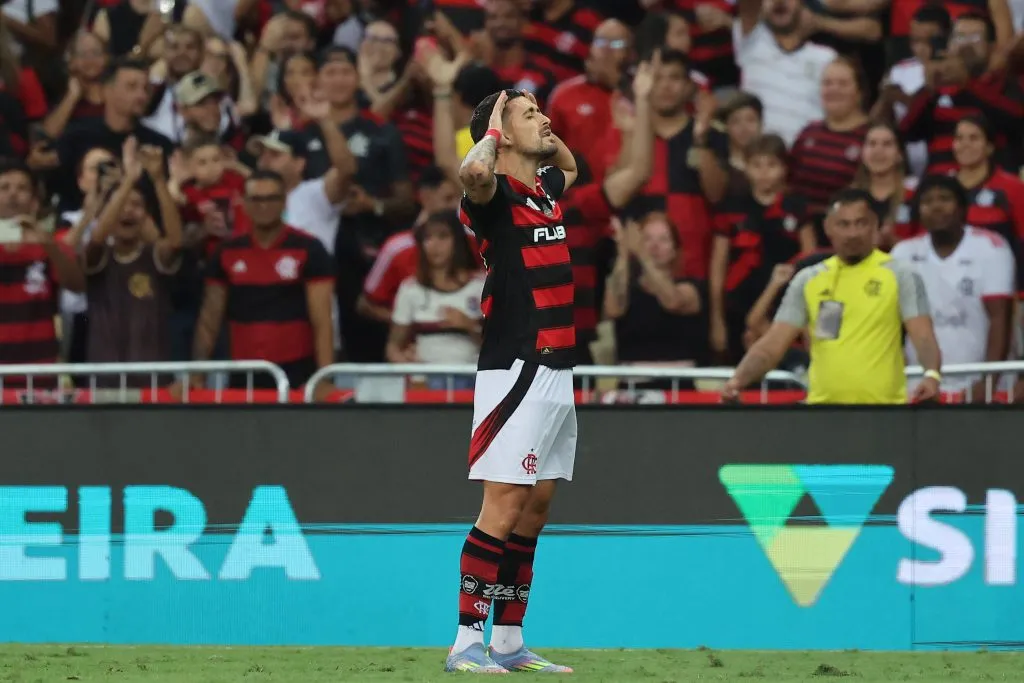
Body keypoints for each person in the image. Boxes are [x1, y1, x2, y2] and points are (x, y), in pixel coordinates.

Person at [446, 88, 578, 674]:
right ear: (498, 132)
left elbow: (570, 166)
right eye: (531, 113)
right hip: (517, 370)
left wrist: (539, 135)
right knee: (500, 507)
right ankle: (465, 642)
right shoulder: (492, 197)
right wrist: (496, 130)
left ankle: (507, 641)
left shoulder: (544, 191)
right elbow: (473, 169)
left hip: (558, 371)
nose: (546, 118)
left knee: (535, 508)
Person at [722, 187, 943, 405]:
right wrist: (738, 379)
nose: (853, 233)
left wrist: (932, 375)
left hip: (883, 412)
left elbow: (923, 335)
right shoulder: (808, 279)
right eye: (843, 224)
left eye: (861, 223)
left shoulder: (901, 274)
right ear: (828, 227)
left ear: (875, 225)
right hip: (822, 412)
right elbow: (772, 343)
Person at [192, 170, 335, 393]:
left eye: (271, 198)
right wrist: (196, 375)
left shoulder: (310, 249)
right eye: (256, 199)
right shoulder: (226, 252)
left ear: (284, 201)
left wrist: (324, 377)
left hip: (298, 373)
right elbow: (209, 320)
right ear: (244, 203)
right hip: (243, 373)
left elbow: (322, 321)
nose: (263, 206)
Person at [891, 175, 1014, 398]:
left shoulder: (991, 247)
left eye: (945, 199)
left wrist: (987, 382)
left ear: (961, 207)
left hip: (979, 381)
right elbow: (892, 323)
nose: (936, 206)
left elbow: (1001, 319)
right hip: (919, 383)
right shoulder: (903, 254)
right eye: (927, 201)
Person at [710, 134, 815, 362]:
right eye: (756, 165)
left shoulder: (796, 207)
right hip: (738, 305)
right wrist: (716, 320)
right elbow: (718, 267)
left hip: (786, 305)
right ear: (746, 168)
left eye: (772, 165)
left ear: (784, 168)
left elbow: (811, 263)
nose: (764, 172)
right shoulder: (732, 207)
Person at [83, 143, 183, 379]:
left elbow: (176, 241)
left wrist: (158, 179)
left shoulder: (154, 256)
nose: (128, 211)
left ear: (146, 215)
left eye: (137, 205)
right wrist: (129, 180)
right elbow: (98, 237)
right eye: (121, 205)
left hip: (152, 379)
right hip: (104, 377)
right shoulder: (98, 256)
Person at [0, 160, 85, 385]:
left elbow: (77, 284)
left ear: (35, 202)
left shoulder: (51, 244)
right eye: (4, 187)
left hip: (40, 371)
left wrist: (46, 242)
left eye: (22, 188)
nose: (13, 195)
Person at [385, 212, 483, 388]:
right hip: (426, 382)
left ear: (458, 240)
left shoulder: (480, 286)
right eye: (428, 238)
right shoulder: (410, 289)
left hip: (473, 379)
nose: (434, 245)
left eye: (443, 236)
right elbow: (393, 348)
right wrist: (411, 369)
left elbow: (502, 347)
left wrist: (469, 325)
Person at [604, 213, 707, 373]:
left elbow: (672, 302)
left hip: (677, 386)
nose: (654, 246)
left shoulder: (691, 288)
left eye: (663, 240)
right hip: (633, 386)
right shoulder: (628, 289)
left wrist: (643, 255)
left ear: (675, 249)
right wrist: (623, 253)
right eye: (647, 239)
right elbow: (613, 310)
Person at [850, 121, 916, 247]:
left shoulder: (915, 193)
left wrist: (893, 242)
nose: (878, 151)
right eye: (872, 144)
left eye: (887, 144)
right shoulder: (849, 197)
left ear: (899, 154)